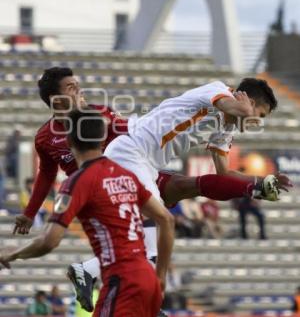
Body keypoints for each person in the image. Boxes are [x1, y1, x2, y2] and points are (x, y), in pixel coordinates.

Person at [12, 68, 291, 310]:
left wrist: (259, 182)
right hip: (130, 152)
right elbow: (47, 173)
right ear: (247, 100)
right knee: (161, 227)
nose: (256, 121)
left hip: (145, 163)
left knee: (161, 223)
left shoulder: (226, 126)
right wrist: (30, 211)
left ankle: (91, 273)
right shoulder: (217, 91)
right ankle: (144, 291)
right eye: (260, 114)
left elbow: (223, 173)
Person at [0, 109, 175, 317]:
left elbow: (50, 241)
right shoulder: (125, 175)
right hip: (148, 277)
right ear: (103, 138)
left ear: (69, 141)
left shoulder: (75, 183)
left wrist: (13, 254)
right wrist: (161, 275)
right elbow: (166, 219)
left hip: (121, 280)